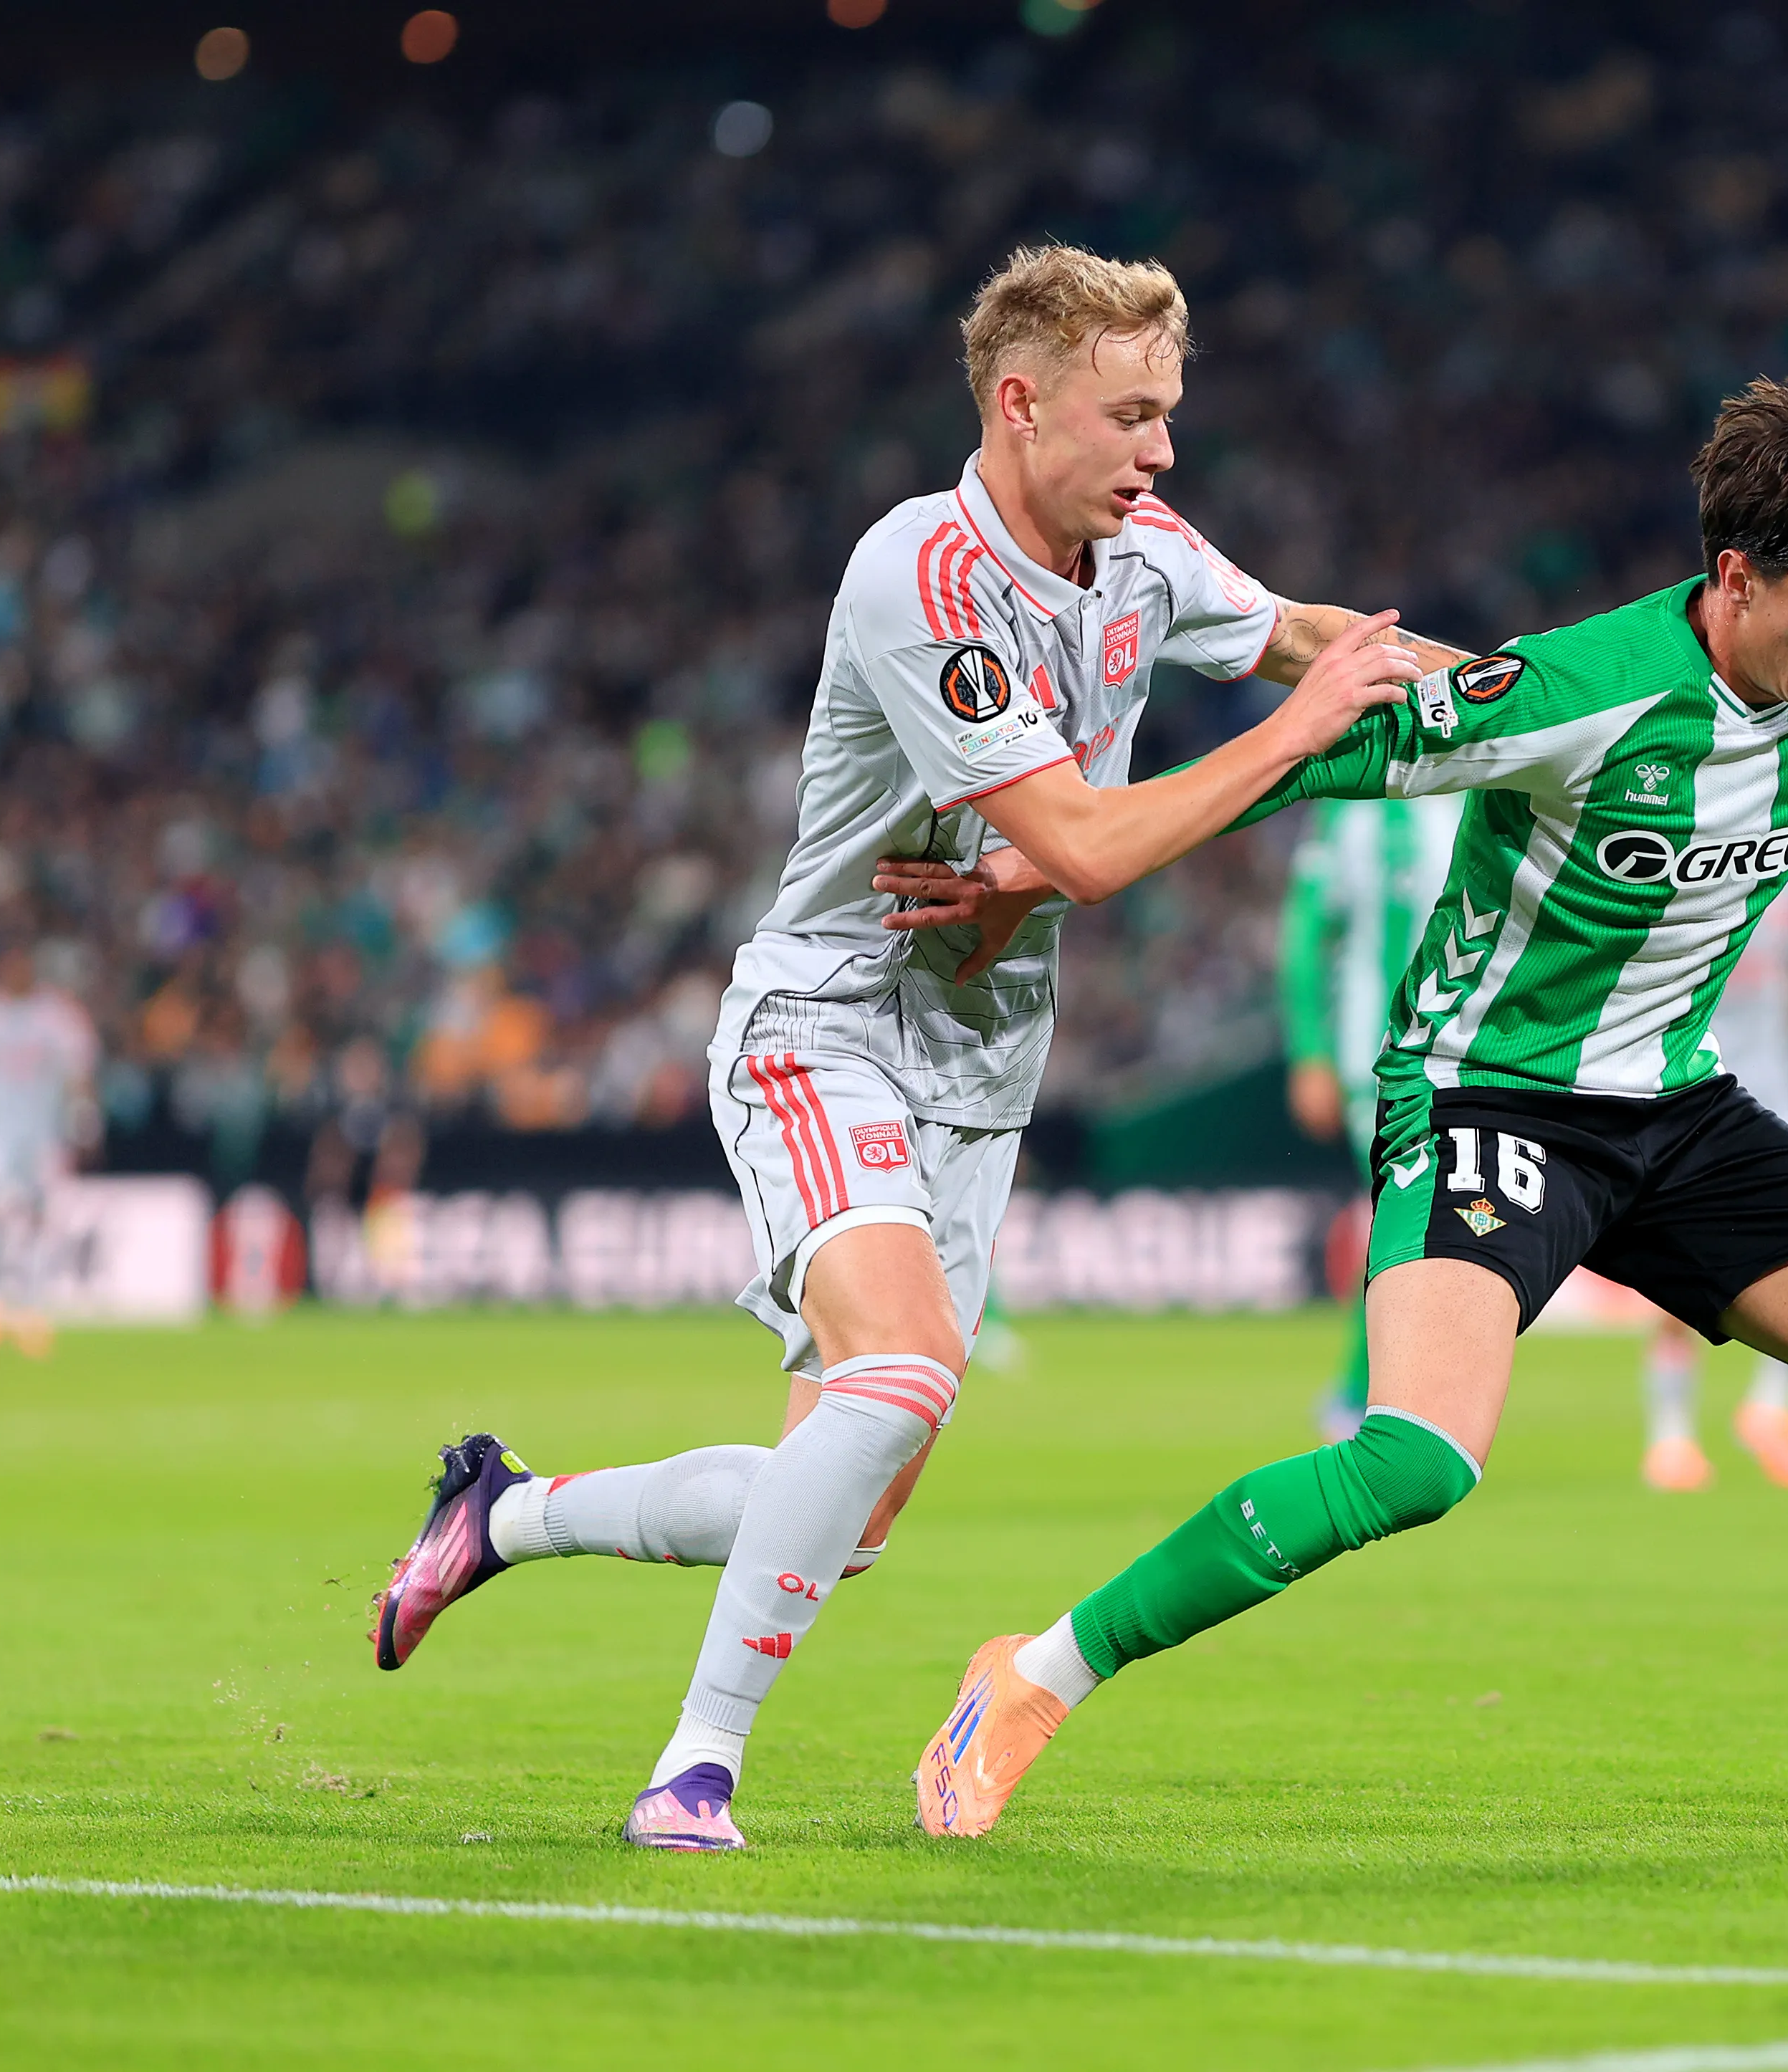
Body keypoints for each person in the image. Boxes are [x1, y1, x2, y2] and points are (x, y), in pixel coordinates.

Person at [904, 375, 1788, 1840]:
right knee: (1415, 1459)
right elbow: (1303, 762)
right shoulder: (1569, 693)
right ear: (1734, 580)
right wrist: (1051, 859)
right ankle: (1033, 1675)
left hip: (1675, 1105)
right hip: (1490, 1100)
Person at [365, 244, 1455, 1851]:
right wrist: (1297, 731)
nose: (1163, 452)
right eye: (1131, 416)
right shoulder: (922, 576)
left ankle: (503, 1514)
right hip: (828, 1021)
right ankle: (693, 1771)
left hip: (980, 1068)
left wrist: (1559, 703)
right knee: (903, 1369)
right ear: (1022, 406)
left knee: (851, 1508)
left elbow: (1301, 636)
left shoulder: (1136, 546)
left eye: (1169, 414)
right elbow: (1081, 846)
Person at [1637, 857, 1788, 1492]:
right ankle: (1670, 1436)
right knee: (1677, 1261)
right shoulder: (1687, 846)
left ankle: (1770, 1410)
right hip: (1691, 1084)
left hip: (1779, 1088)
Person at [1278, 790, 1468, 1442]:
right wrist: (1310, 1050)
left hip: (1475, 1059)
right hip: (1381, 1060)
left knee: (1432, 1226)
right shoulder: (1353, 807)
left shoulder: (1489, 788)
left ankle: (1382, 1394)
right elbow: (1306, 931)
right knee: (1404, 1217)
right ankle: (1364, 1398)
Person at [0, 939, 98, 1359]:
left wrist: (84, 1125)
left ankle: (30, 1308)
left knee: (40, 1221)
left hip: (44, 1137)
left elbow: (78, 1078)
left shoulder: (58, 1019)